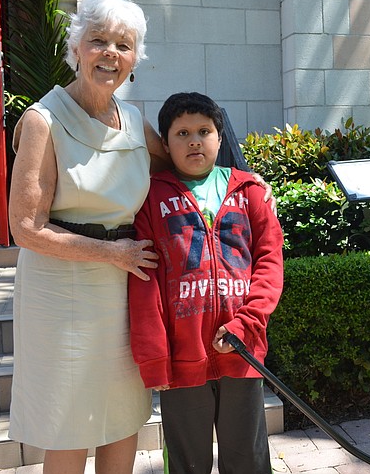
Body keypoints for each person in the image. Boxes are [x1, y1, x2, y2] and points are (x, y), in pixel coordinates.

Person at [7, 0, 170, 474]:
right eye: (98, 40)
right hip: (61, 292)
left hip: (125, 288)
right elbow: (25, 228)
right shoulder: (44, 120)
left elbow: (184, 169)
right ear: (76, 48)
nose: (110, 53)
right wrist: (111, 253)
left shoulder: (137, 123)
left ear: (134, 59)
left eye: (124, 44)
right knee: (69, 422)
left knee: (123, 417)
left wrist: (245, 183)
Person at [128, 92, 284, 474]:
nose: (194, 141)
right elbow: (144, 280)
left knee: (247, 458)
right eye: (181, 133)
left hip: (242, 351)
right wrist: (155, 357)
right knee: (187, 462)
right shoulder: (149, 198)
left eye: (204, 131)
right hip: (182, 358)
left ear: (220, 137)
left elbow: (269, 265)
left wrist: (246, 325)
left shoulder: (250, 193)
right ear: (164, 144)